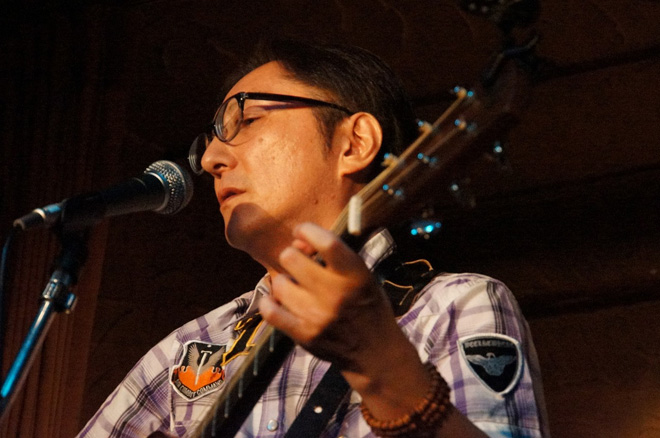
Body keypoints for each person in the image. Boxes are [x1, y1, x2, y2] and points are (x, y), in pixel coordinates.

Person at [78, 40, 550, 438]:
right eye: (212, 140)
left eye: (248, 120)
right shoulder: (188, 349)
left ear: (355, 143)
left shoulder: (452, 307)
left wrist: (385, 371)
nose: (209, 160)